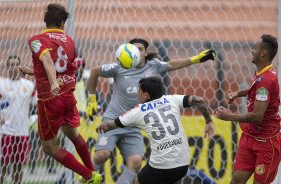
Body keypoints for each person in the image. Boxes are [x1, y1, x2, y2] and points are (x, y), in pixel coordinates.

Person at [86, 38, 216, 184]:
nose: (136, 52)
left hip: (133, 123)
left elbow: (172, 64)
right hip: (113, 119)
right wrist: (91, 99)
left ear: (146, 52)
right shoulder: (119, 66)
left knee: (136, 162)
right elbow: (95, 70)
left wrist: (196, 59)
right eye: (133, 49)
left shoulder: (153, 65)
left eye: (140, 49)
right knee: (101, 155)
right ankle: (83, 179)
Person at [26, 3, 101, 184]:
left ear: (46, 22)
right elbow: (64, 69)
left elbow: (47, 60)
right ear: (62, 23)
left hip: (50, 99)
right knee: (73, 135)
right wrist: (32, 71)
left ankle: (88, 175)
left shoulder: (37, 40)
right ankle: (92, 172)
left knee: (50, 147)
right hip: (68, 97)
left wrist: (52, 83)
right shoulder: (69, 40)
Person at [96, 76, 215, 184]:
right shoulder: (171, 99)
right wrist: (209, 122)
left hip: (160, 166)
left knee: (137, 182)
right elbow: (199, 100)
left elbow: (110, 125)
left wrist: (102, 126)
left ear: (146, 95)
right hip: (183, 165)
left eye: (139, 90)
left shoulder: (138, 111)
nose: (137, 93)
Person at [215, 34, 281, 184]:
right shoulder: (262, 73)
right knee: (236, 181)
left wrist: (230, 116)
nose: (251, 50)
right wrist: (239, 92)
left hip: (266, 143)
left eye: (255, 48)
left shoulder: (267, 80)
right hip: (249, 136)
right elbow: (256, 88)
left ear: (263, 53)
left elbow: (257, 116)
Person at [0, 55, 36, 184]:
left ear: (20, 67)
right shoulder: (1, 84)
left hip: (22, 131)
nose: (14, 67)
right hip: (6, 131)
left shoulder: (29, 85)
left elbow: (34, 105)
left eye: (16, 65)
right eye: (11, 65)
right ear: (7, 67)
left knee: (19, 165)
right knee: (3, 163)